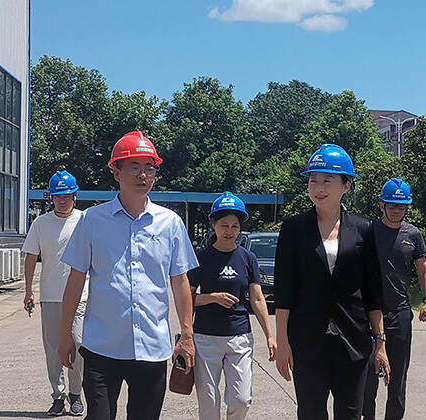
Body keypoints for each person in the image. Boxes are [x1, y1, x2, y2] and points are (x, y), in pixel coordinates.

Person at [57, 131, 200, 420]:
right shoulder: (92, 220)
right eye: (134, 166)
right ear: (116, 172)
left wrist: (187, 335)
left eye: (149, 167)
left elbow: (180, 281)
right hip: (101, 346)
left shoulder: (169, 223)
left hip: (152, 348)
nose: (143, 175)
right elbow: (75, 279)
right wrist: (64, 336)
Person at [273, 143, 391, 420]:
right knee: (310, 413)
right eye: (313, 180)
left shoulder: (363, 229)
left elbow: (373, 292)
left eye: (327, 180)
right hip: (307, 341)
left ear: (346, 185)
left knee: (350, 414)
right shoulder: (293, 229)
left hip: (353, 340)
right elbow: (284, 290)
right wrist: (283, 342)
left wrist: (380, 342)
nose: (318, 187)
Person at [189, 192, 277, 420]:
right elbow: (187, 298)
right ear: (214, 225)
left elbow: (257, 299)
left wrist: (270, 335)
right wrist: (212, 297)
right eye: (224, 225)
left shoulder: (248, 258)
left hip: (239, 336)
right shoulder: (201, 258)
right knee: (209, 402)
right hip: (206, 337)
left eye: (235, 226)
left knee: (241, 400)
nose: (229, 231)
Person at [362, 178, 426, 420]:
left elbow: (423, 270)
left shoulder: (413, 234)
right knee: (368, 374)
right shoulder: (369, 231)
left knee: (398, 374)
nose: (396, 210)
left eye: (401, 206)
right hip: (370, 311)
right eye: (391, 205)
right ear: (382, 205)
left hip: (400, 313)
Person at [22, 170, 89, 416]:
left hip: (81, 295)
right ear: (51, 197)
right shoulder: (41, 223)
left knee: (78, 344)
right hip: (50, 295)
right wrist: (28, 290)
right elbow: (31, 256)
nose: (62, 200)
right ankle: (58, 396)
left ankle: (76, 393)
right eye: (57, 196)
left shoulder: (85, 220)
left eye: (67, 195)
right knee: (52, 348)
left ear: (74, 196)